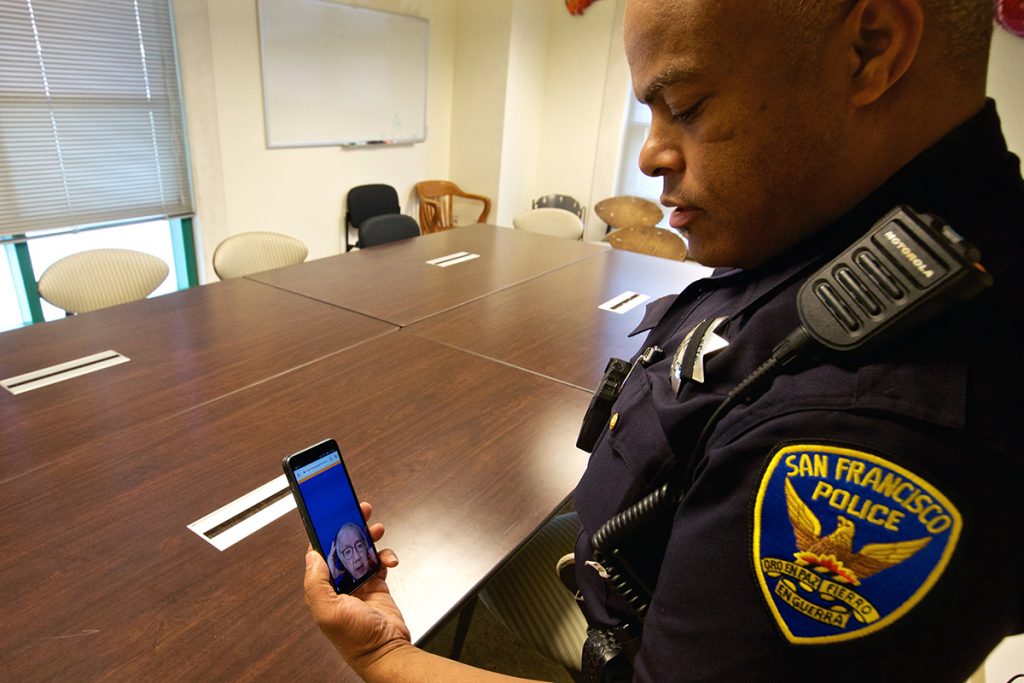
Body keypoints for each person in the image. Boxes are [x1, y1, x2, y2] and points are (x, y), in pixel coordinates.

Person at [303, 0, 1024, 680]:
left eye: (685, 106)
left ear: (869, 49)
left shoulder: (872, 423)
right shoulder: (833, 233)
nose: (649, 156)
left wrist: (390, 657)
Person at [327, 522, 378, 593]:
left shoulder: (377, 568)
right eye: (348, 552)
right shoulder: (341, 590)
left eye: (359, 545)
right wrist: (330, 580)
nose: (357, 557)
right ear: (342, 561)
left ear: (366, 546)